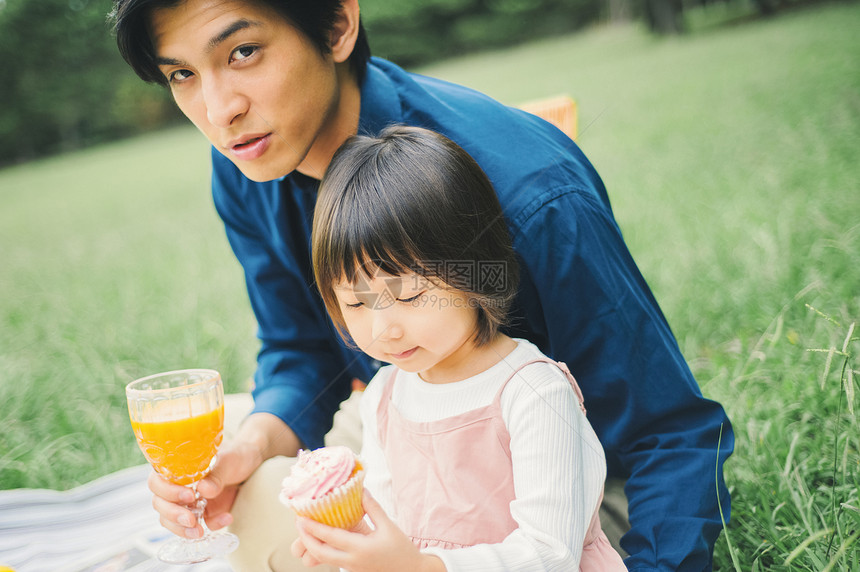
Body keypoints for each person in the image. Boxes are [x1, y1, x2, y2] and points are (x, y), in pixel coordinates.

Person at [110, 0, 733, 569]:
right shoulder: (247, 166)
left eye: (242, 53)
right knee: (256, 494)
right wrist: (251, 448)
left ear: (336, 25)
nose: (220, 111)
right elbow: (298, 353)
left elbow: (669, 436)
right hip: (410, 429)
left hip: (560, 487)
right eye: (182, 75)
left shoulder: (529, 193)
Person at [290, 124, 627, 571]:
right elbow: (390, 527)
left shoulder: (532, 393)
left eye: (409, 296)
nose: (383, 329)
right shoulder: (386, 396)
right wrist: (351, 545)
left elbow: (551, 553)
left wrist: (424, 567)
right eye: (356, 302)